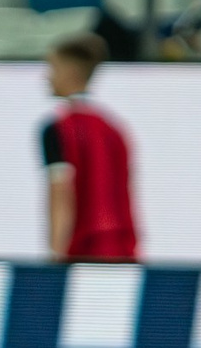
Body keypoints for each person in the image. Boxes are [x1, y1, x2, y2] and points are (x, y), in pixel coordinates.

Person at [38, 32, 138, 262]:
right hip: (119, 248)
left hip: (82, 250)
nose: (47, 77)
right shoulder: (113, 129)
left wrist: (55, 253)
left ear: (69, 71)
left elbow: (61, 191)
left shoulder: (57, 129)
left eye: (52, 68)